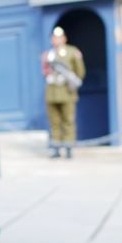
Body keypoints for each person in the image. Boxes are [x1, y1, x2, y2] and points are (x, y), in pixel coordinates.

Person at [41, 26, 85, 158]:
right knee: (54, 122)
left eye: (59, 37)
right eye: (54, 37)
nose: (56, 40)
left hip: (66, 91)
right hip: (52, 92)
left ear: (64, 38)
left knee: (68, 120)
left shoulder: (72, 52)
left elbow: (80, 71)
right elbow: (45, 71)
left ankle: (68, 148)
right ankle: (56, 148)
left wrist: (71, 82)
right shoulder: (48, 54)